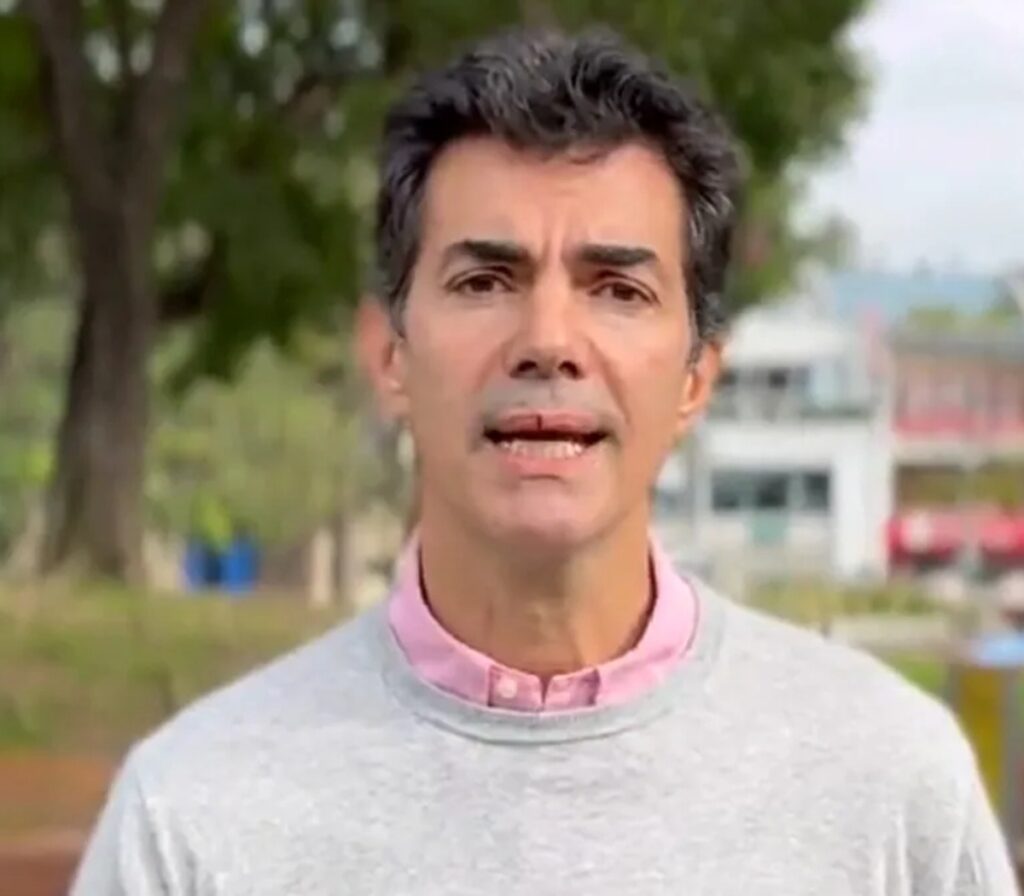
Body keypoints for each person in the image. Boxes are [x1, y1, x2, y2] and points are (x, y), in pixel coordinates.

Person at [71, 27, 1017, 895]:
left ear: (696, 377)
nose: (549, 342)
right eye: (486, 280)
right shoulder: (193, 817)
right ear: (389, 354)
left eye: (618, 289)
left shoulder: (891, 789)